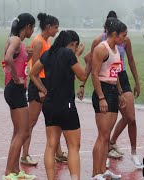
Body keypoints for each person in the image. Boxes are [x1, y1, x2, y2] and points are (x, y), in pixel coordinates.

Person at [78, 10, 142, 169]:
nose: (124, 37)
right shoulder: (100, 43)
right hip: (105, 81)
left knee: (130, 117)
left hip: (120, 78)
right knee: (104, 129)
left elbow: (130, 61)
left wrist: (136, 82)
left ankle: (130, 151)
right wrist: (82, 85)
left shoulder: (123, 41)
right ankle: (103, 156)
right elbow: (91, 65)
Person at [29, 30, 86, 180]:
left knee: (51, 145)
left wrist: (43, 89)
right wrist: (77, 56)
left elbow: (33, 73)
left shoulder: (48, 54)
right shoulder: (69, 54)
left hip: (50, 105)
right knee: (73, 146)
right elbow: (83, 75)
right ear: (72, 44)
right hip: (66, 105)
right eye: (75, 46)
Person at [21, 12, 67, 166]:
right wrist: (41, 89)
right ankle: (24, 155)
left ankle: (58, 153)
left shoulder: (47, 42)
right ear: (48, 27)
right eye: (55, 27)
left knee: (54, 119)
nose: (57, 30)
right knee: (31, 122)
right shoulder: (38, 42)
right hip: (38, 84)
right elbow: (34, 69)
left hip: (47, 84)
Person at [91, 18, 127, 180]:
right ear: (114, 34)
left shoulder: (117, 49)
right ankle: (95, 172)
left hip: (113, 91)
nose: (125, 38)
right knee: (103, 135)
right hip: (103, 91)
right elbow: (94, 74)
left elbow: (116, 73)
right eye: (123, 35)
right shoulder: (101, 48)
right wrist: (101, 97)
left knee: (107, 135)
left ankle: (103, 169)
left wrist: (120, 93)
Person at [2, 13, 36, 180]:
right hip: (14, 89)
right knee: (23, 132)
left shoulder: (17, 42)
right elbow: (8, 58)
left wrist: (27, 56)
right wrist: (16, 78)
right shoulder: (15, 40)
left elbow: (15, 61)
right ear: (27, 26)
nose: (33, 31)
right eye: (33, 27)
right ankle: (8, 172)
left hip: (15, 90)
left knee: (18, 131)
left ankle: (15, 170)